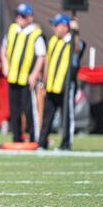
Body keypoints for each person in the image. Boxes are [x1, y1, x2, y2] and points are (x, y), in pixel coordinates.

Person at [38, 14, 85, 150]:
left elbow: (77, 48)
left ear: (65, 27)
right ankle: (42, 143)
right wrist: (45, 81)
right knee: (47, 116)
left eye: (56, 25)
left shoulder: (73, 41)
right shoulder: (53, 40)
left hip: (65, 86)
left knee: (66, 117)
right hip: (51, 85)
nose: (54, 28)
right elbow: (48, 62)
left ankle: (65, 144)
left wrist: (76, 31)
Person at [0, 3, 46, 143]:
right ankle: (16, 138)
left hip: (26, 78)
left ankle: (34, 138)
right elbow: (4, 48)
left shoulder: (35, 33)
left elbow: (41, 56)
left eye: (23, 15)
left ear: (30, 17)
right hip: (13, 76)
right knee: (14, 110)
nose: (19, 18)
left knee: (29, 110)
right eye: (18, 15)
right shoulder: (13, 29)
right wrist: (5, 64)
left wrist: (34, 74)